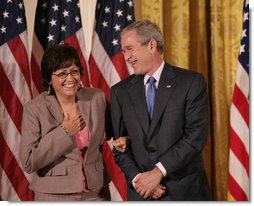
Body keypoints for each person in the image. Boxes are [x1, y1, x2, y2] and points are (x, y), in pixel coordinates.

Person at [110, 20, 212, 201]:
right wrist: (139, 180)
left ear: (151, 45)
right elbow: (119, 147)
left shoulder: (190, 83)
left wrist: (158, 172)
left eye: (130, 49)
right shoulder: (120, 92)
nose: (126, 57)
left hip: (184, 192)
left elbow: (195, 137)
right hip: (142, 194)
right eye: (124, 51)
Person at [20, 43, 111, 201]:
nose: (70, 78)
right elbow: (29, 161)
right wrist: (64, 132)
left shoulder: (97, 98)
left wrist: (123, 138)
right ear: (49, 78)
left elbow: (115, 132)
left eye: (74, 71)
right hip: (54, 193)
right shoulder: (34, 109)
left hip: (96, 192)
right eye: (62, 73)